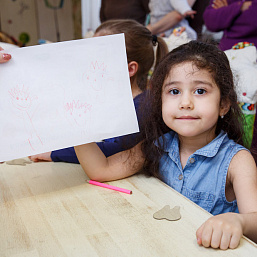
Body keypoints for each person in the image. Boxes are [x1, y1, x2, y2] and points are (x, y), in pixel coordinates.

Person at [74, 41, 257, 249]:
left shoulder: (237, 161)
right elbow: (101, 169)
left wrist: (238, 221)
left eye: (200, 91)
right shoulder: (157, 146)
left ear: (223, 104)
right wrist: (76, 128)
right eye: (174, 91)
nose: (185, 102)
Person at [29, 19, 168, 163]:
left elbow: (114, 149)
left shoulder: (143, 107)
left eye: (98, 57)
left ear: (129, 69)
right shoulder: (106, 102)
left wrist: (54, 154)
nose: (89, 63)